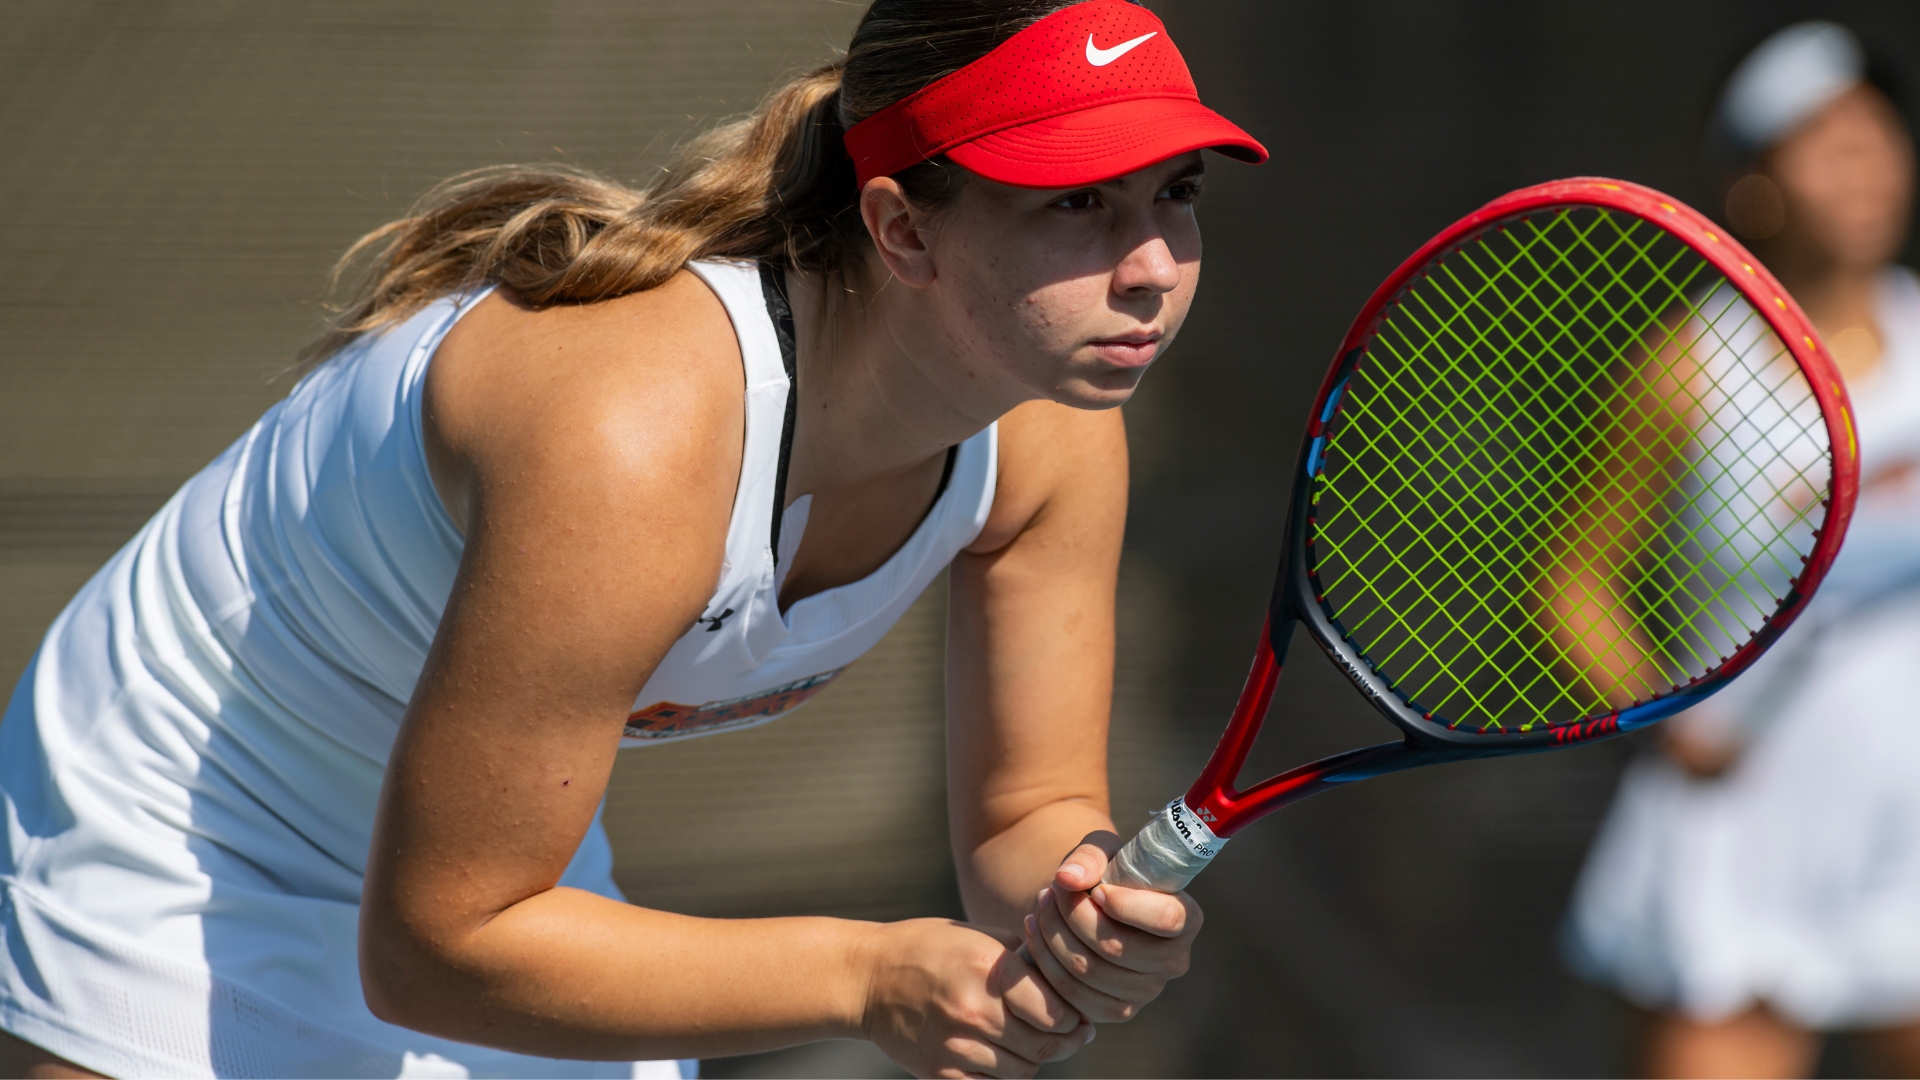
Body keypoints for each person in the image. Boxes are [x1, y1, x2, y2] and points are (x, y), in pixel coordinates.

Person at [0, 1, 1268, 1076]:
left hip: (488, 864)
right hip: (189, 818)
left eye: (1176, 193)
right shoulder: (630, 436)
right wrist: (871, 974)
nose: (1155, 263)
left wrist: (1081, 904)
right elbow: (439, 947)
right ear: (904, 230)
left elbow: (1027, 813)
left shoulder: (1051, 430)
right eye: (1079, 204)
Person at [1563, 21, 1920, 1080]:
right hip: (1739, 827)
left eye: (1877, 133)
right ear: (1755, 187)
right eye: (1821, 140)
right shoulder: (1689, 366)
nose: (1862, 161)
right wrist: (1661, 714)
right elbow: (1577, 579)